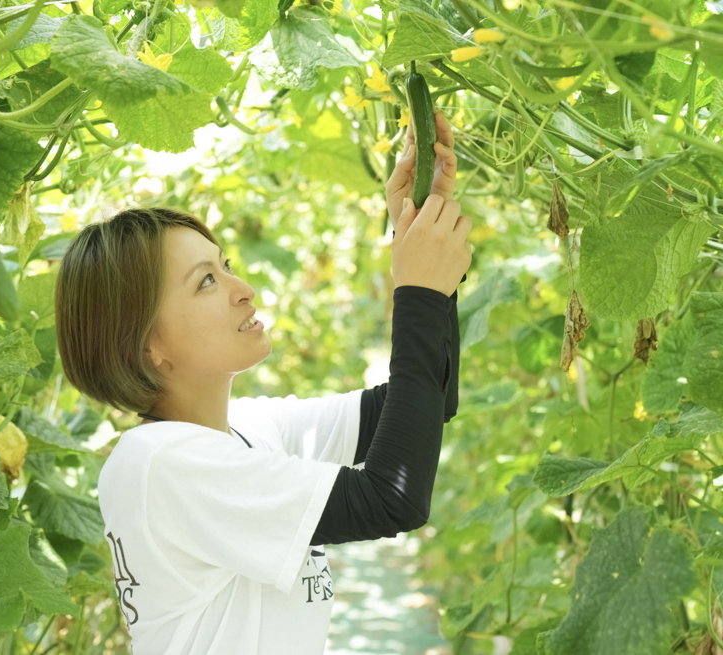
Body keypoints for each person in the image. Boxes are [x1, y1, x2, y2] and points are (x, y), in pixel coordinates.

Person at [52, 106, 471, 655]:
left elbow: (427, 401)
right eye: (205, 281)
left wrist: (416, 236)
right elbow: (391, 499)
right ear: (144, 343)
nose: (242, 286)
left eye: (224, 265)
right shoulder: (157, 463)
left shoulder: (246, 432)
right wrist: (418, 293)